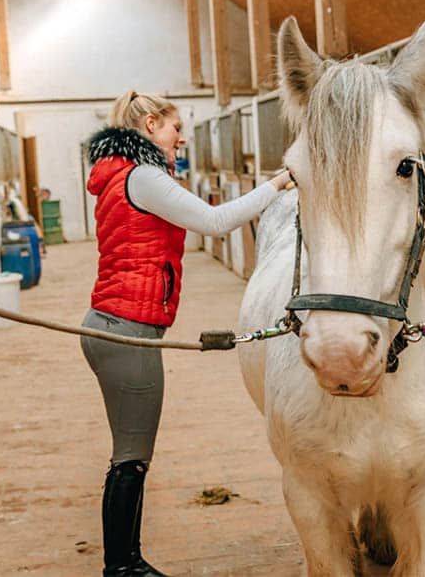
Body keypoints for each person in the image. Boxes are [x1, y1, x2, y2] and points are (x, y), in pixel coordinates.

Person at [80, 90, 293, 576]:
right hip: (127, 331)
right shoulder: (144, 177)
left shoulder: (116, 176)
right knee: (131, 457)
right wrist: (279, 184)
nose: (180, 141)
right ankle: (123, 565)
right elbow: (214, 222)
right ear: (151, 123)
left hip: (110, 324)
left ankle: (123, 562)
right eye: (176, 130)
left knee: (127, 454)